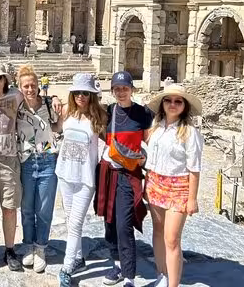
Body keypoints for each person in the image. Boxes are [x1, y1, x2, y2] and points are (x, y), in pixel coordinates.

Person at [0, 62, 61, 271]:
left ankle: (10, 250)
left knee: (10, 208)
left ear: (5, 80)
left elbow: (38, 97)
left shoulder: (16, 96)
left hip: (11, 160)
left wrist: (54, 97)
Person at [96, 71, 153, 286]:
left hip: (129, 175)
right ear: (112, 90)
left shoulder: (142, 114)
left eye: (125, 88)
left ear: (132, 89)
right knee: (109, 222)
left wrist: (144, 158)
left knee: (124, 225)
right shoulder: (108, 112)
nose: (121, 92)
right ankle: (117, 264)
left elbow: (151, 143)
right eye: (117, 89)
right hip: (108, 172)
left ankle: (129, 276)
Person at [144, 84, 203, 287]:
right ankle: (162, 273)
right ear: (162, 103)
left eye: (178, 101)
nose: (172, 104)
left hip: (178, 186)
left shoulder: (189, 132)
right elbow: (151, 159)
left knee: (172, 239)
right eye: (168, 100)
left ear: (184, 106)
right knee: (158, 231)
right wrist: (146, 186)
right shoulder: (157, 125)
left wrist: (192, 199)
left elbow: (194, 168)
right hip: (155, 182)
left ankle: (173, 284)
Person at [56, 74, 107, 287]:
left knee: (76, 223)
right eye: (77, 92)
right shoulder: (67, 112)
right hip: (65, 173)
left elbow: (112, 140)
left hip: (86, 178)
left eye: (85, 93)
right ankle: (78, 258)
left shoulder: (99, 117)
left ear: (92, 95)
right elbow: (56, 129)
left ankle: (66, 267)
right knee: (70, 220)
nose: (81, 96)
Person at [16, 66, 60, 273]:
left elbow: (58, 127)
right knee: (26, 208)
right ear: (20, 88)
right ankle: (28, 246)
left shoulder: (50, 104)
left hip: (47, 160)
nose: (30, 89)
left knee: (43, 209)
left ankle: (40, 247)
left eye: (33, 85)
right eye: (26, 86)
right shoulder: (15, 107)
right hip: (26, 160)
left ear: (39, 86)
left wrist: (57, 100)